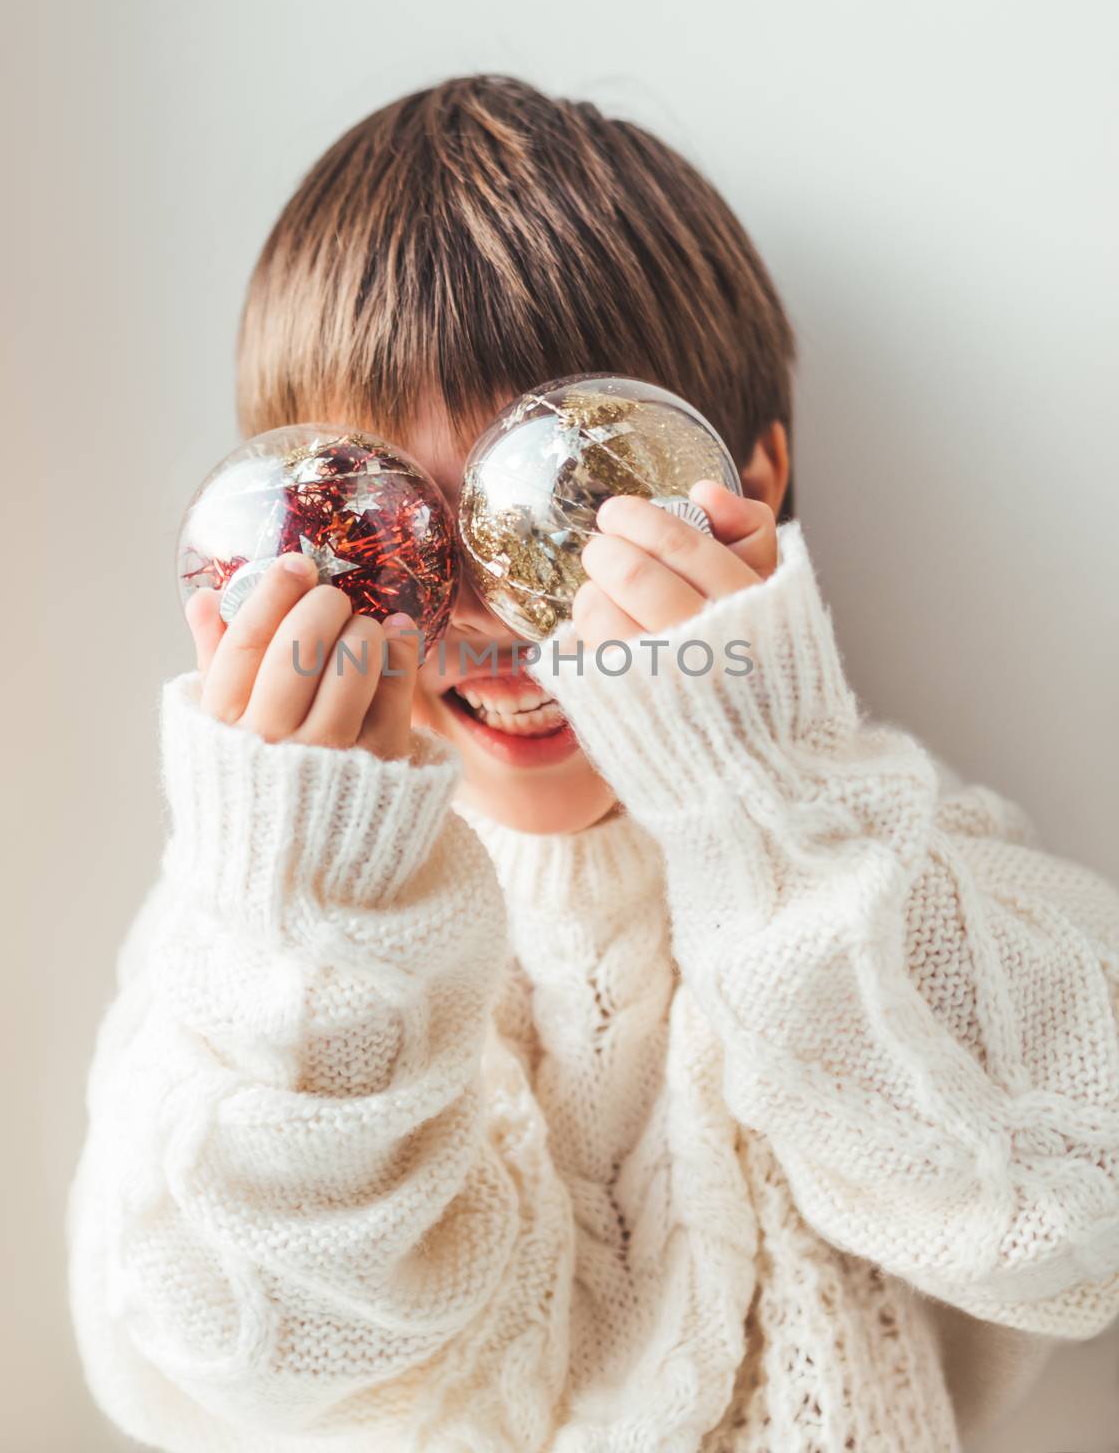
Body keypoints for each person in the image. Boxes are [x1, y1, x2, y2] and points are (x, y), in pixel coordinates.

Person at [66, 74, 1119, 1453]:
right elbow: (224, 1368)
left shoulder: (860, 843)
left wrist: (768, 783)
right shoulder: (248, 936)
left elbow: (1069, 1223)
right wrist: (305, 902)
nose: (495, 625)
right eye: (389, 540)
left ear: (757, 484)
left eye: (575, 512)